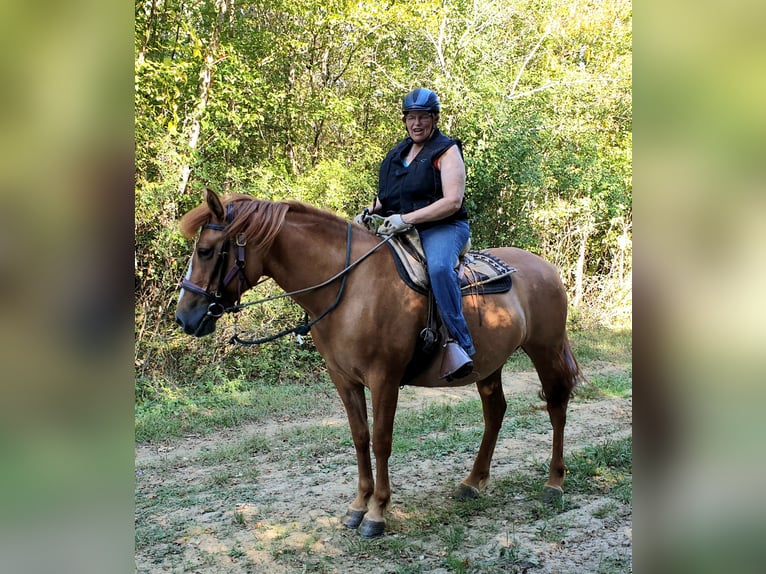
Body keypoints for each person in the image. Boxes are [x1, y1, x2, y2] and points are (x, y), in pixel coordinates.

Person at [356, 87, 475, 379]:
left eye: (423, 117)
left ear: (434, 119)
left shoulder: (446, 151)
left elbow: (452, 201)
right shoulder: (399, 153)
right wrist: (369, 211)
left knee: (437, 268)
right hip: (403, 227)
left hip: (444, 227)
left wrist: (405, 219)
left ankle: (460, 343)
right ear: (405, 120)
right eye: (411, 117)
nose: (416, 123)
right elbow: (390, 196)